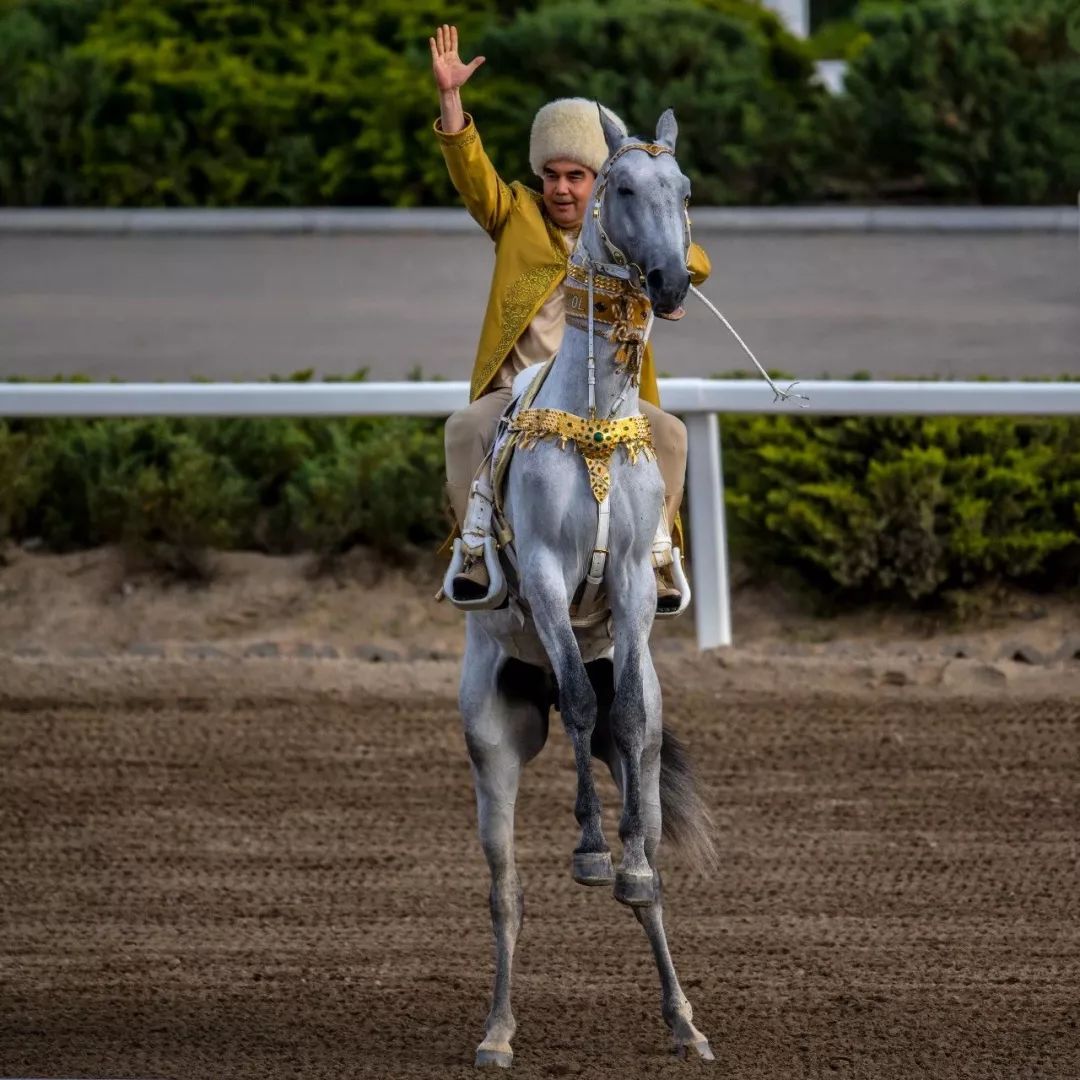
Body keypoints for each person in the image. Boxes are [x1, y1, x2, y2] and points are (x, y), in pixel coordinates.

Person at [429, 24, 712, 612]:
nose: (560, 188)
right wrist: (452, 102)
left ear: (602, 183)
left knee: (674, 435)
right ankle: (476, 549)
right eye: (551, 174)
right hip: (518, 398)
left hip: (607, 404)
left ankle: (658, 555)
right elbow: (471, 174)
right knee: (461, 429)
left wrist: (666, 259)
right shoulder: (513, 214)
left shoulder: (624, 239)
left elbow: (691, 260)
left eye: (576, 176)